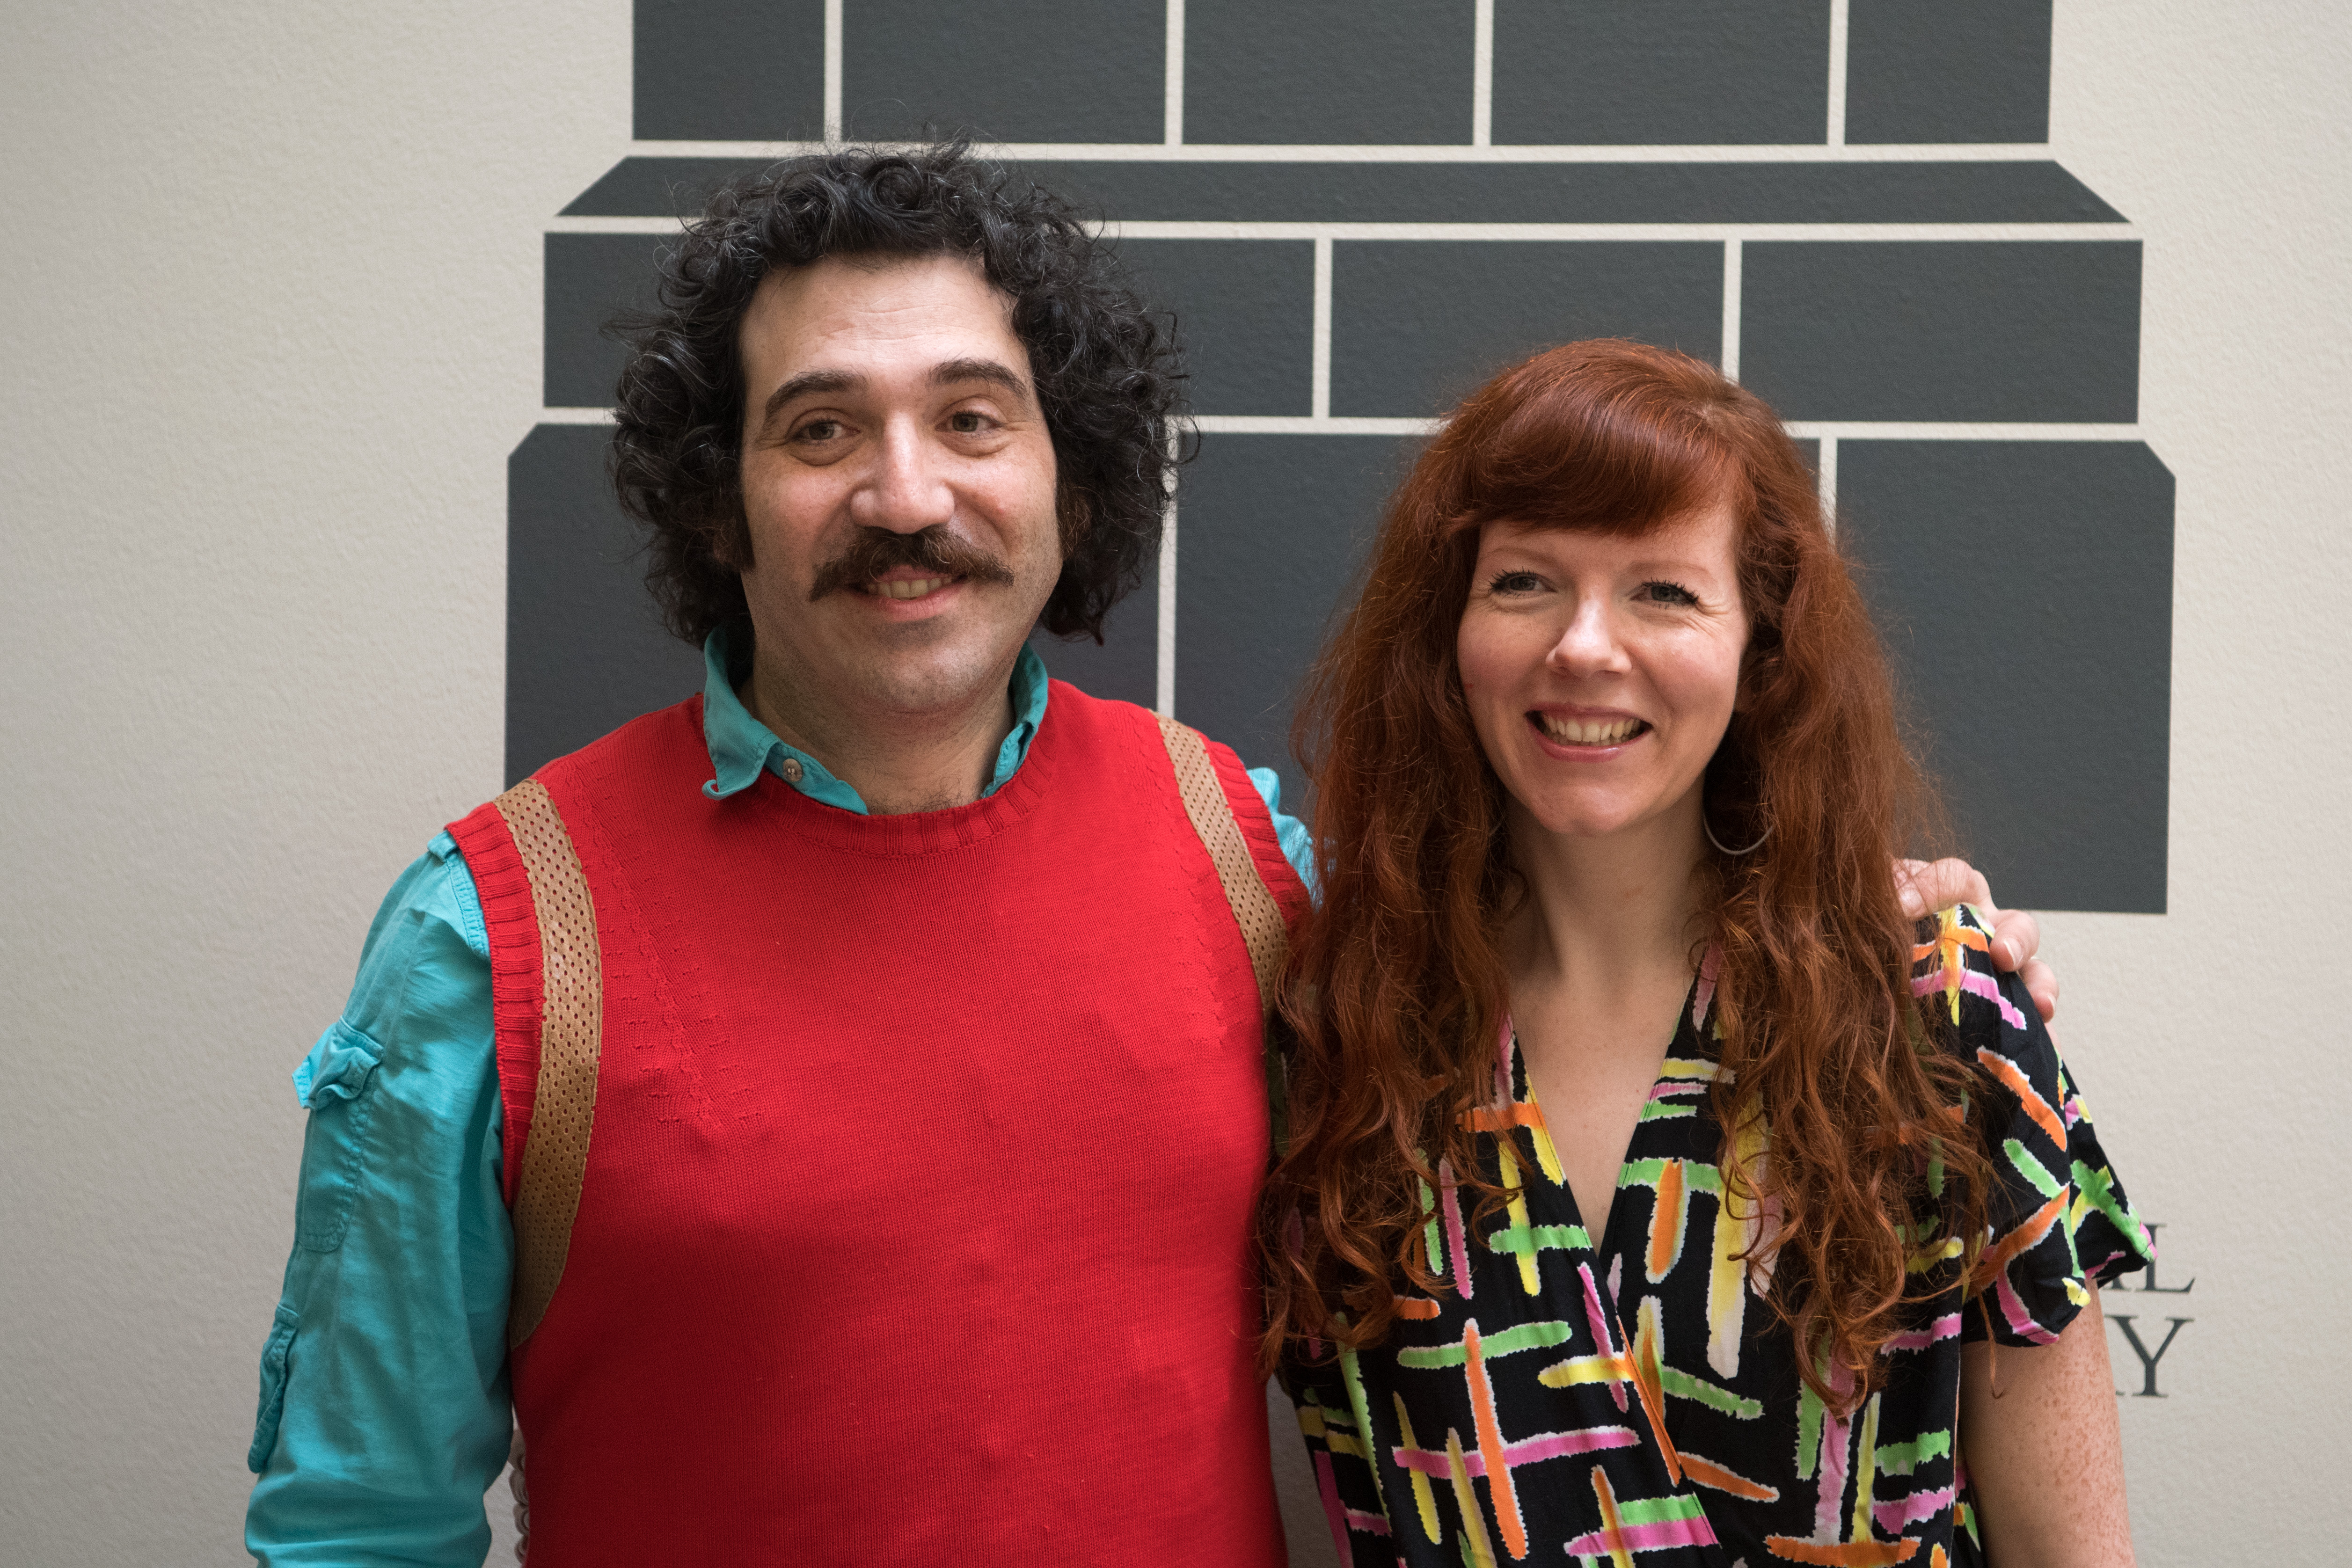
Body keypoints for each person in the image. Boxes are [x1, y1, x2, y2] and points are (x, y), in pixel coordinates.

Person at [242, 147, 2049, 1565]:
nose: (904, 495)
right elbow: (355, 1529)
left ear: (1069, 483)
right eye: (819, 431)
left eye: (971, 418)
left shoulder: (1244, 863)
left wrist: (1855, 912)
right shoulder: (490, 937)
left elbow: (1581, 917)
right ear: (715, 500)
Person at [1265, 341, 2147, 1567]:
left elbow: (2072, 1553)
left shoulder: (1932, 1014)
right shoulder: (1337, 1031)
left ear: (1760, 648)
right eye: (1523, 581)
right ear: (1448, 629)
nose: (1582, 646)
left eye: (1661, 593)